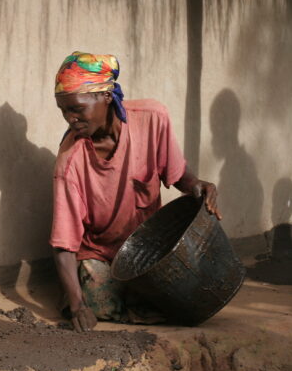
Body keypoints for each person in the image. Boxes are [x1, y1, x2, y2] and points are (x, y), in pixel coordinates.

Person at [50, 52, 221, 332]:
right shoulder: (69, 163)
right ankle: (95, 289)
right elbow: (63, 246)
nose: (70, 118)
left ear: (105, 97)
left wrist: (198, 186)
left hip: (147, 248)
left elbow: (177, 175)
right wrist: (78, 306)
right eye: (63, 111)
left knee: (192, 291)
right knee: (100, 304)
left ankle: (135, 296)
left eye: (77, 109)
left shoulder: (152, 118)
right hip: (101, 252)